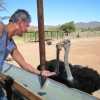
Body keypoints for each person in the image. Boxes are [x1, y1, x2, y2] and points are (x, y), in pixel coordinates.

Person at [0, 9, 55, 100]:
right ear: (20, 22)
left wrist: (41, 73)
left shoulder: (12, 45)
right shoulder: (1, 27)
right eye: (27, 26)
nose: (26, 30)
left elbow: (24, 65)